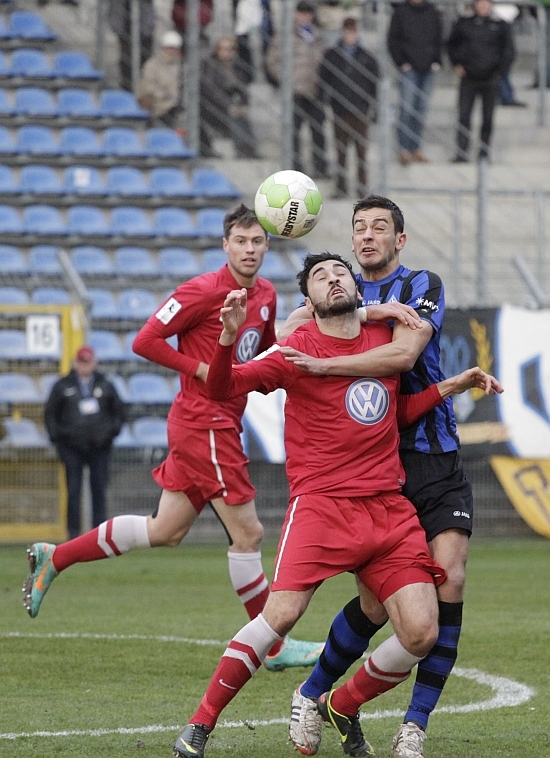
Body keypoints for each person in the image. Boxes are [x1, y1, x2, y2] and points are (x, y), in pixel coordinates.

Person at [172, 252, 500, 758]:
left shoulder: (383, 340)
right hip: (321, 508)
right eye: (320, 277)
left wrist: (451, 386)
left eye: (340, 272)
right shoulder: (295, 348)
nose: (333, 279)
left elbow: (392, 412)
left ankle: (339, 704)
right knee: (281, 615)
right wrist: (226, 338)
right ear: (309, 300)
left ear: (356, 288)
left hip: (387, 509)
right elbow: (221, 388)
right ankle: (200, 724)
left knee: (421, 631)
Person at [23, 204, 322, 673]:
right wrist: (199, 368)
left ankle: (55, 557)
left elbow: (258, 353)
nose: (248, 249)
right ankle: (274, 647)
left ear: (267, 245)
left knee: (165, 530)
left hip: (220, 421)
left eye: (256, 241)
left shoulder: (264, 294)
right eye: (240, 241)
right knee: (249, 533)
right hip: (204, 422)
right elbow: (145, 340)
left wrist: (295, 339)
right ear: (225, 245)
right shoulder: (202, 291)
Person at [279, 196, 503, 758]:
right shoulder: (341, 288)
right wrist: (371, 312)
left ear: (398, 240)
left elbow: (404, 356)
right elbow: (291, 326)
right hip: (375, 465)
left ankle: (413, 726)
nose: (367, 235)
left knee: (450, 581)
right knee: (378, 606)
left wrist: (329, 362)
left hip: (434, 456)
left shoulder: (422, 284)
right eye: (359, 227)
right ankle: (313, 693)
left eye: (379, 227)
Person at [44, 346, 125, 540]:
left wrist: (110, 434)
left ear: (94, 362)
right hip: (71, 447)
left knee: (99, 489)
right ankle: (73, 534)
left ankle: (100, 534)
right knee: (73, 490)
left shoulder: (106, 385)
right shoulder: (62, 386)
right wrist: (58, 439)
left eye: (88, 362)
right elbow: (50, 413)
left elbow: (119, 411)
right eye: (81, 362)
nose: (84, 366)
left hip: (100, 447)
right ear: (76, 363)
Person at [266, 1, 328, 177]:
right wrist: (287, 80)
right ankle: (294, 167)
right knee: (294, 131)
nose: (305, 17)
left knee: (318, 131)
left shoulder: (318, 36)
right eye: (301, 13)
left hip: (315, 90)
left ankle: (320, 167)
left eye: (308, 13)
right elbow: (272, 60)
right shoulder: (285, 35)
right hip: (295, 91)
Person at [319, 17, 378, 198]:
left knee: (361, 152)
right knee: (341, 152)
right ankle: (341, 187)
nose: (349, 36)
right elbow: (324, 80)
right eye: (346, 31)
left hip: (360, 110)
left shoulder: (367, 57)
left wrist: (373, 107)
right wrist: (327, 102)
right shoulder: (332, 55)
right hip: (340, 109)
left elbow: (374, 84)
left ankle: (362, 188)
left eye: (353, 32)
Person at [448, 0, 515, 162]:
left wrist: (500, 71)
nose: (483, 6)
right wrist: (456, 63)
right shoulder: (464, 24)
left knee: (488, 118)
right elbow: (452, 45)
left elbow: (508, 50)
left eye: (486, 3)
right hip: (468, 78)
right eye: (480, 3)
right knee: (464, 116)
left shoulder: (500, 25)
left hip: (490, 79)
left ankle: (484, 152)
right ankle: (462, 152)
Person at [387, 0, 442, 165]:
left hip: (428, 69)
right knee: (407, 109)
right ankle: (403, 149)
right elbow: (393, 39)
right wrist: (401, 62)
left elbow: (439, 38)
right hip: (409, 69)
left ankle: (416, 147)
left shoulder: (432, 12)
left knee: (421, 110)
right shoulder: (401, 12)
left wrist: (436, 61)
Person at [200, 36, 259, 158]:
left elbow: (242, 88)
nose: (229, 52)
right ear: (217, 50)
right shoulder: (210, 65)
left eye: (231, 49)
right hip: (211, 106)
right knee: (235, 114)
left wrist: (244, 105)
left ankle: (248, 148)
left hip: (229, 103)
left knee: (241, 112)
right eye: (225, 49)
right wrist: (229, 105)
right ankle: (243, 148)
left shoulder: (237, 66)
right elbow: (211, 90)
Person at [137, 30, 184, 128]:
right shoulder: (152, 65)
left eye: (175, 48)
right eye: (169, 48)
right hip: (159, 105)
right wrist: (165, 95)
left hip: (177, 106)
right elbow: (148, 86)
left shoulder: (181, 66)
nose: (172, 51)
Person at [108, 0, 155, 93]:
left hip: (144, 27)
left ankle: (144, 91)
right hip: (124, 26)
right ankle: (127, 92)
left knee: (145, 61)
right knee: (126, 62)